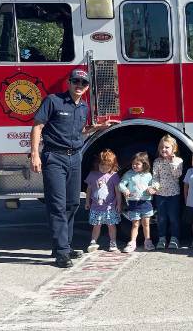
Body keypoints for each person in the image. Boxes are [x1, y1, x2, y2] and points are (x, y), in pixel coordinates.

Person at [30, 68, 119, 267]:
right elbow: (37, 126)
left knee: (72, 203)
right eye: (76, 82)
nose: (79, 86)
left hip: (75, 157)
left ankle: (64, 245)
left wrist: (98, 127)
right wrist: (35, 154)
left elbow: (80, 131)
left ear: (87, 87)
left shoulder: (83, 108)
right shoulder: (53, 100)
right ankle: (62, 253)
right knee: (58, 205)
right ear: (69, 83)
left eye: (83, 83)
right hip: (54, 157)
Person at [84, 149, 122, 253]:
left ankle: (113, 242)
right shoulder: (92, 174)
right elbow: (89, 189)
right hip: (96, 207)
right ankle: (93, 241)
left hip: (110, 206)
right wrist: (87, 202)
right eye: (102, 165)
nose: (104, 168)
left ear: (112, 165)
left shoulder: (113, 176)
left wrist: (119, 204)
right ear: (98, 163)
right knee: (97, 225)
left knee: (111, 225)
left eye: (107, 166)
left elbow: (117, 192)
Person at [119, 152, 156, 253]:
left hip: (146, 202)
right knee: (135, 224)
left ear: (144, 164)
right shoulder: (129, 174)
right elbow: (121, 184)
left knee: (146, 223)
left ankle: (147, 241)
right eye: (133, 164)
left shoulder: (148, 175)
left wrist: (152, 189)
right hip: (134, 202)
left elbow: (152, 185)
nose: (134, 166)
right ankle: (132, 242)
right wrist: (125, 190)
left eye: (137, 164)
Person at [152, 134, 183, 250]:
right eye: (161, 147)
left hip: (173, 194)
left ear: (173, 149)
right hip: (160, 194)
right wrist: (154, 187)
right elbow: (155, 177)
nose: (163, 150)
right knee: (161, 218)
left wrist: (172, 161)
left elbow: (177, 174)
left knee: (173, 217)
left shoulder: (178, 161)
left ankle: (175, 238)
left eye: (167, 147)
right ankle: (162, 238)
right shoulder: (157, 162)